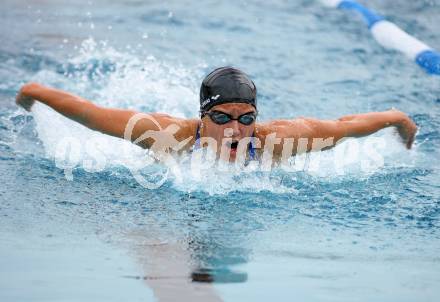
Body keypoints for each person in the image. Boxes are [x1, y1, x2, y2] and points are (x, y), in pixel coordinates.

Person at [16, 66, 417, 164]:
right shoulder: (166, 135)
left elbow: (346, 128)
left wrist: (396, 118)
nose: (236, 130)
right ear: (204, 117)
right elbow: (91, 113)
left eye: (246, 119)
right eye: (223, 118)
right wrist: (34, 93)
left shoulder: (280, 141)